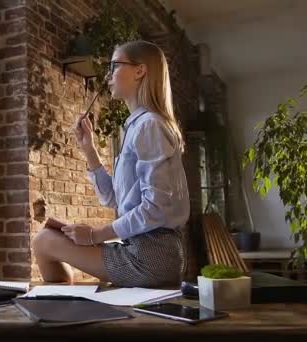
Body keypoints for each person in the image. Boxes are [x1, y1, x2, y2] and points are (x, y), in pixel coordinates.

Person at [32, 40, 190, 288]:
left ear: (140, 71)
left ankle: (59, 313)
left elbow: (156, 208)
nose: (108, 74)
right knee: (47, 237)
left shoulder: (149, 125)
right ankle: (63, 309)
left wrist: (95, 235)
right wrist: (89, 149)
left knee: (43, 241)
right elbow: (114, 199)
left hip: (151, 256)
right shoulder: (137, 125)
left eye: (115, 65)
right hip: (142, 248)